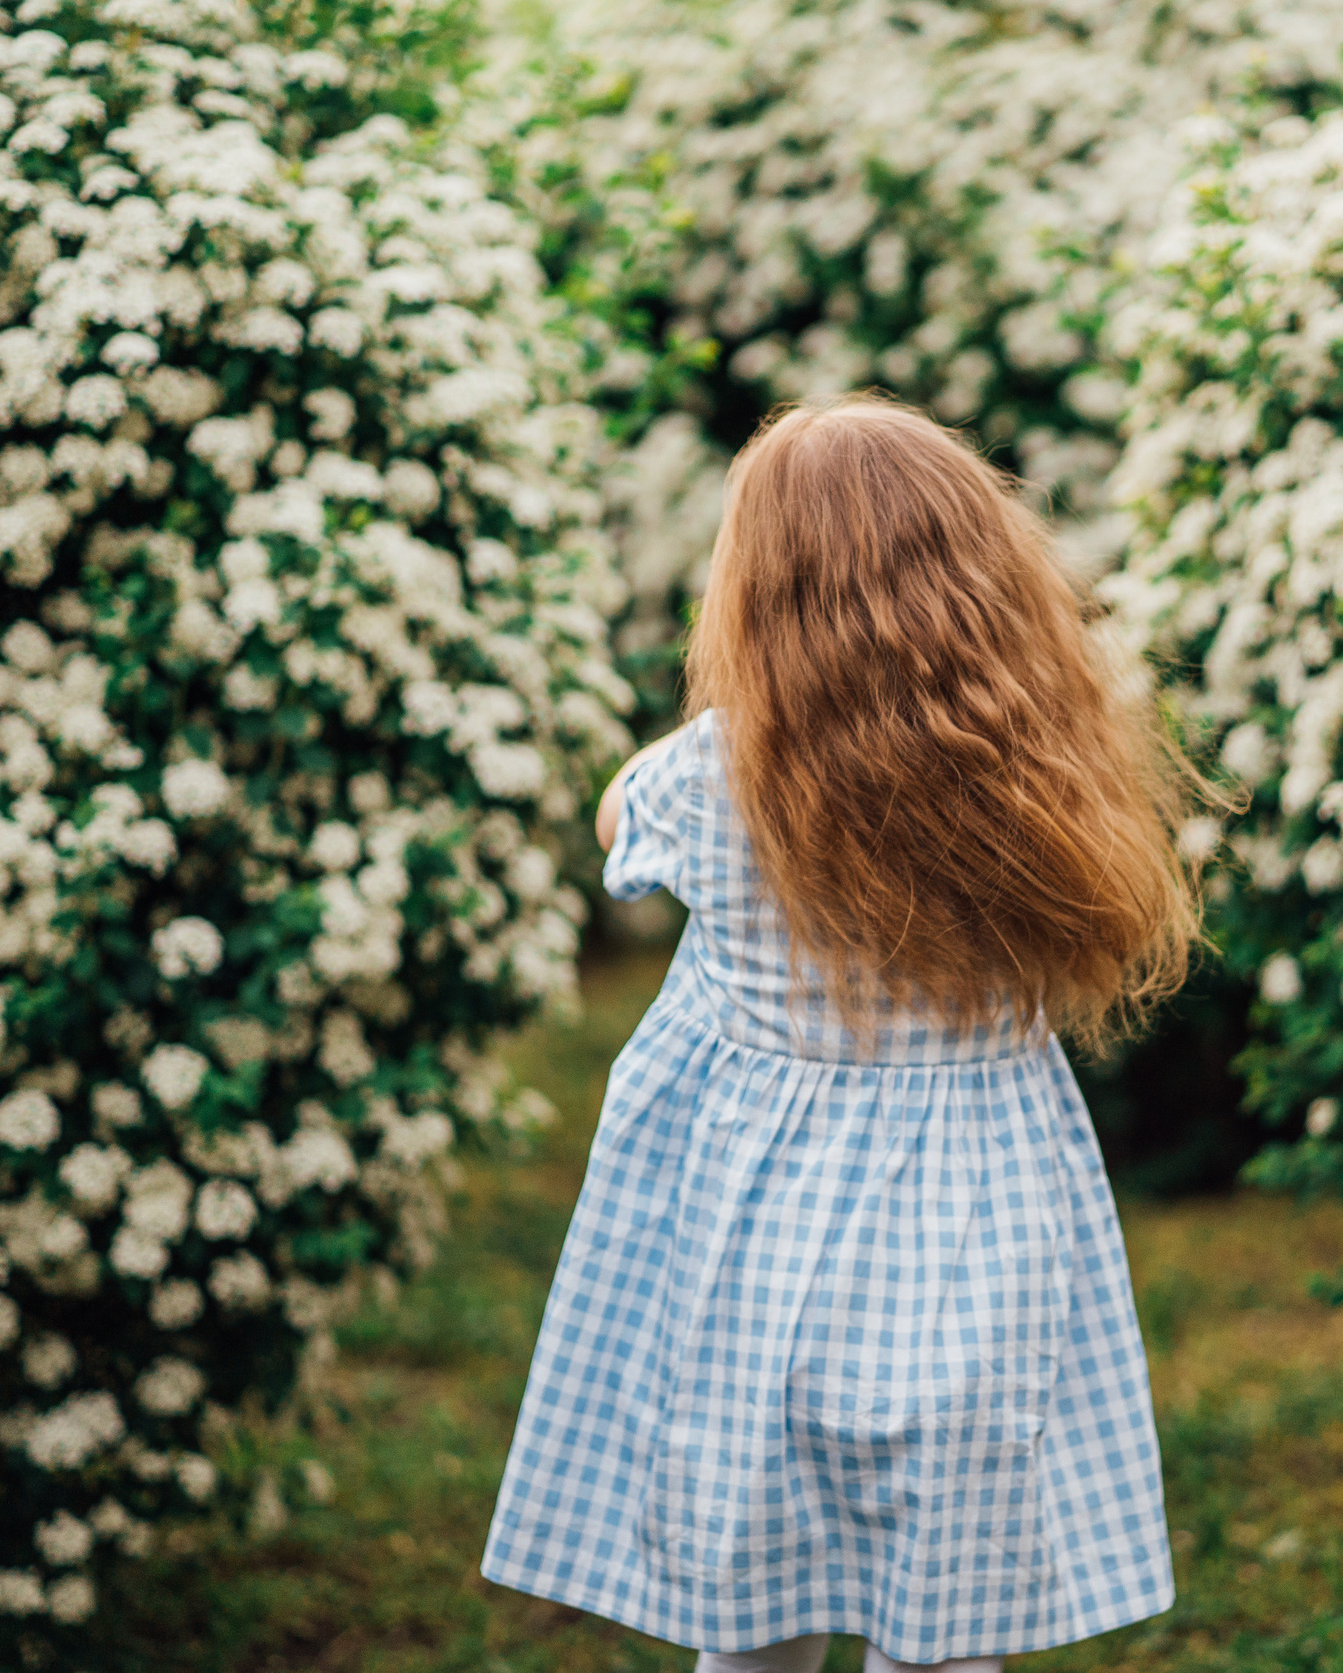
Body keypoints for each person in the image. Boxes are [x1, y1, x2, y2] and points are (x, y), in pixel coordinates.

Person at [480, 394, 1207, 1673]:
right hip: (974, 1265)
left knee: (752, 1623)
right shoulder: (1035, 779)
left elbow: (614, 822)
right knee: (949, 1628)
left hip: (754, 1271)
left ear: (759, 597)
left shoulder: (708, 779)